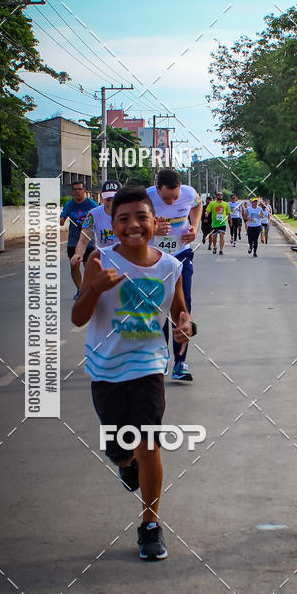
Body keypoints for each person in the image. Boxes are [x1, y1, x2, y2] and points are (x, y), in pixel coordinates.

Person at [72, 186, 194, 561]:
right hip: (105, 370)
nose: (134, 225)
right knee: (120, 451)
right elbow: (79, 318)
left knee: (149, 443)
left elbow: (180, 312)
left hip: (148, 367)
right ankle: (127, 464)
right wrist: (92, 287)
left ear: (155, 222)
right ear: (112, 224)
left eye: (142, 217)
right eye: (123, 219)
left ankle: (150, 524)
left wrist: (185, 325)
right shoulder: (99, 260)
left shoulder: (169, 267)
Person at [146, 169, 202, 382]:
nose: (170, 202)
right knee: (159, 307)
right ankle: (162, 358)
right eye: (166, 197)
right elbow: (131, 226)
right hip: (155, 258)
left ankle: (180, 362)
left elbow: (197, 206)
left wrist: (194, 227)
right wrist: (153, 230)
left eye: (175, 197)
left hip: (181, 254)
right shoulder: (145, 197)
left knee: (182, 305)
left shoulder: (189, 193)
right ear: (157, 188)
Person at [60, 181, 98, 298]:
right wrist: (62, 219)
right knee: (74, 265)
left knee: (89, 265)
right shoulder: (69, 205)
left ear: (84, 190)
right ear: (72, 191)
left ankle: (89, 288)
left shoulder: (91, 204)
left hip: (88, 240)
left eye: (79, 189)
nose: (77, 191)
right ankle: (80, 289)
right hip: (73, 240)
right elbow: (61, 221)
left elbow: (99, 218)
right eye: (75, 189)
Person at [71, 179, 121, 267]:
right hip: (104, 261)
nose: (112, 203)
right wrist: (78, 254)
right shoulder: (93, 215)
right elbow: (83, 240)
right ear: (101, 198)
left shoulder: (130, 213)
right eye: (108, 199)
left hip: (125, 260)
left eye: (115, 199)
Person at [206, 191, 231, 255]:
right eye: (218, 195)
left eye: (221, 195)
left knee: (222, 236)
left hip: (222, 223)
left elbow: (228, 213)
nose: (220, 196)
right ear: (216, 196)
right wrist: (206, 214)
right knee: (214, 237)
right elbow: (207, 211)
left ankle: (221, 250)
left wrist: (230, 221)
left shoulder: (225, 204)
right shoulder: (212, 203)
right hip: (214, 223)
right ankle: (214, 247)